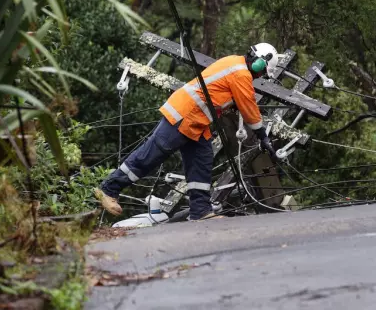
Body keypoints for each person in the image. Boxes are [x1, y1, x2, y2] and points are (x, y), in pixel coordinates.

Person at [94, 43, 281, 220]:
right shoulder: (241, 74)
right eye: (262, 72)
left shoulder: (235, 63)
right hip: (184, 115)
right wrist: (263, 137)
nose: (260, 77)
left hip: (197, 122)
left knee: (201, 160)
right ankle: (109, 189)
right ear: (259, 62)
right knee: (153, 154)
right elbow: (249, 108)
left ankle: (200, 211)